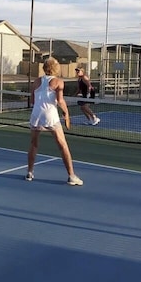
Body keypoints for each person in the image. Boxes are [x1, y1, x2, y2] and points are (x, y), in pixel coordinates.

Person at [26, 58, 83, 186]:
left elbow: (32, 102)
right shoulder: (58, 82)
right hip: (50, 116)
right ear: (56, 68)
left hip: (36, 115)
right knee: (63, 145)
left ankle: (29, 172)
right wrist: (66, 113)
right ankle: (72, 176)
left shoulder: (35, 82)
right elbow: (60, 100)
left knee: (33, 144)